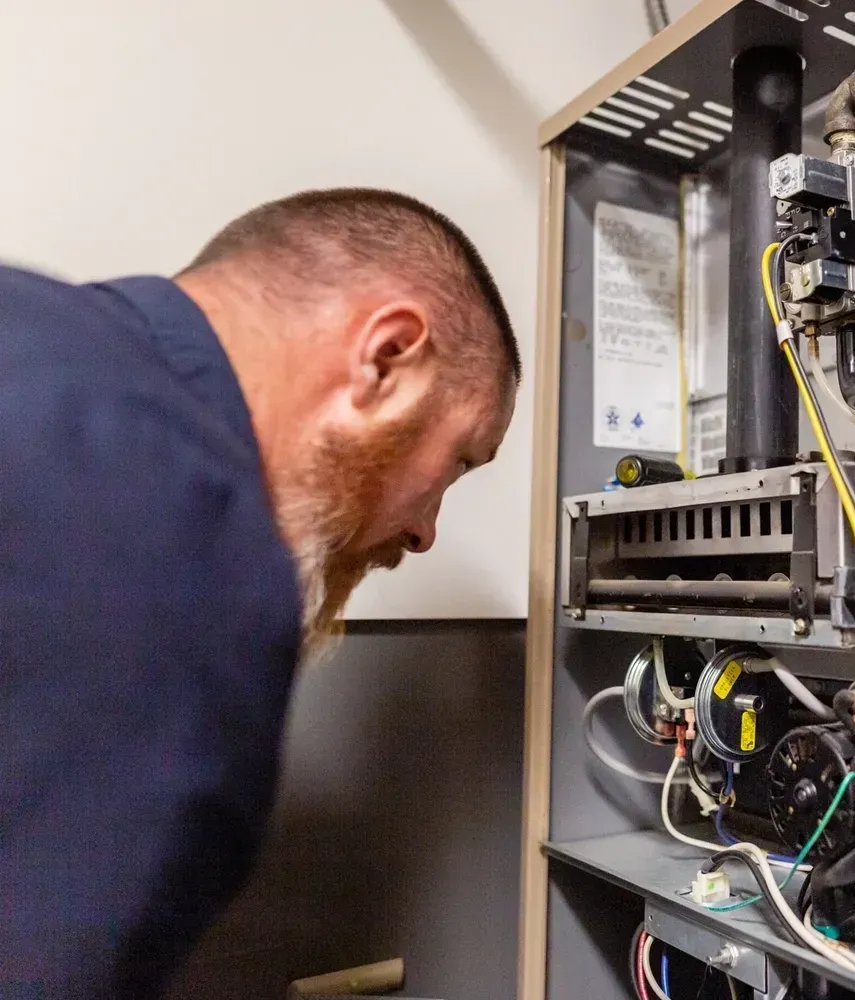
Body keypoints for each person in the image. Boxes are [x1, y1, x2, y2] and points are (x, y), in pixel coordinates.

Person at [0, 189, 521, 998]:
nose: (425, 534)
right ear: (385, 360)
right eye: (457, 462)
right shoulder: (189, 544)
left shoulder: (30, 322)